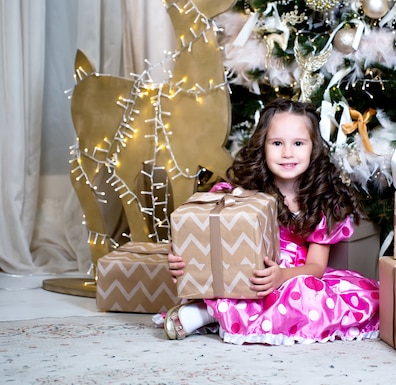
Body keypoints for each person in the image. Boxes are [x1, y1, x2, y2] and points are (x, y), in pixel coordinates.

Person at [163, 98, 380, 345]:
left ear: (313, 148)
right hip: (245, 272)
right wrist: (182, 257)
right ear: (263, 146)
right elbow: (205, 231)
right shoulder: (240, 195)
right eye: (277, 143)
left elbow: (316, 267)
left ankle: (209, 314)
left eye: (298, 143)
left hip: (291, 276)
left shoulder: (321, 200)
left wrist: (282, 276)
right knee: (246, 281)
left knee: (320, 296)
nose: (287, 153)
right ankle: (207, 311)